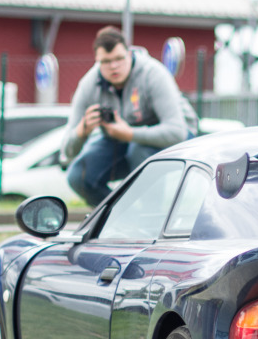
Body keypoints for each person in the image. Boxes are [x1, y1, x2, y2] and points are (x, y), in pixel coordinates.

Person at [61, 26, 199, 207]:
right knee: (78, 176)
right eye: (106, 61)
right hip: (121, 138)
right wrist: (82, 131)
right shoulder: (89, 84)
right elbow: (66, 152)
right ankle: (115, 218)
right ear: (97, 61)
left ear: (129, 53)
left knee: (138, 151)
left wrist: (129, 134)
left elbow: (176, 132)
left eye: (119, 58)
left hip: (175, 138)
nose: (114, 66)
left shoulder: (154, 74)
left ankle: (151, 219)